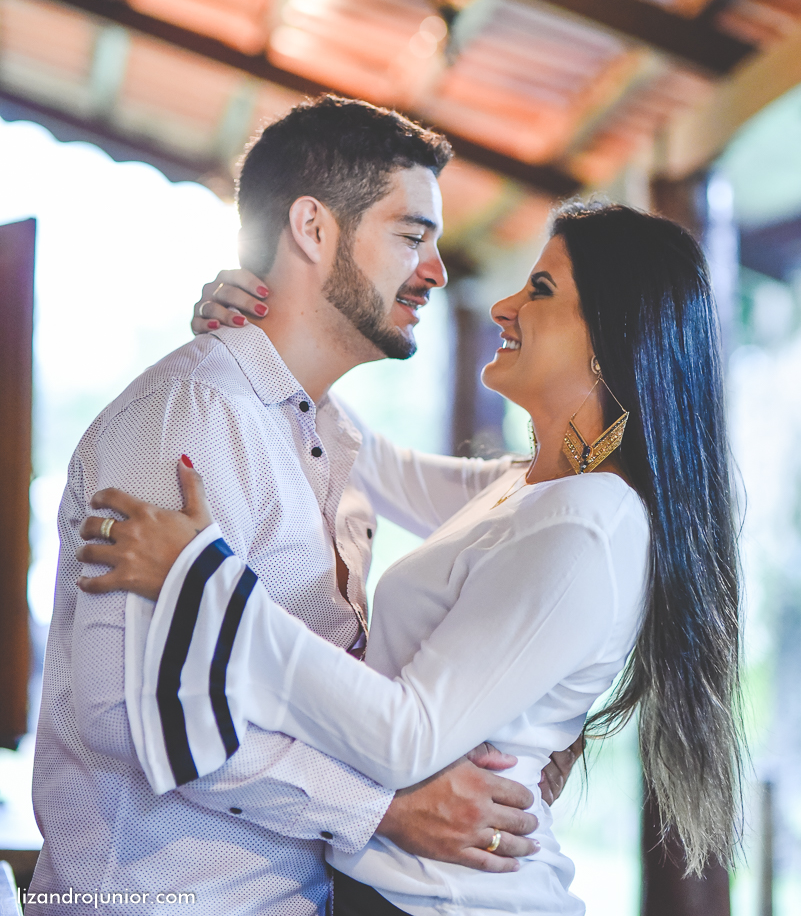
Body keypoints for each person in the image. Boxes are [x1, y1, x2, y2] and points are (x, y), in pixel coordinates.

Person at [79, 202, 744, 916]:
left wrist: (201, 581)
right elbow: (369, 460)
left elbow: (406, 736)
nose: (503, 305)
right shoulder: (525, 490)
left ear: (613, 337)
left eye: (541, 290)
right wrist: (258, 342)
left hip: (454, 901)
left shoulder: (590, 520)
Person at [32, 96, 575, 916]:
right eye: (411, 236)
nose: (434, 271)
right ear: (313, 229)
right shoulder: (190, 417)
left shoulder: (332, 434)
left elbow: (529, 507)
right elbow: (127, 713)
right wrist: (384, 810)